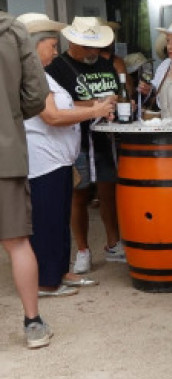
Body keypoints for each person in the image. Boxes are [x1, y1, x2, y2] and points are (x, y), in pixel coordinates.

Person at [21, 13, 112, 298]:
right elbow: (52, 115)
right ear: (36, 46)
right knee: (48, 220)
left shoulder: (42, 72)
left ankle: (61, 271)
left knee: (58, 217)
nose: (55, 51)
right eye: (51, 44)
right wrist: (94, 111)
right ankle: (48, 281)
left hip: (57, 159)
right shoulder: (31, 74)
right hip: (44, 160)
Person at [45, 17, 125, 275]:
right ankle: (82, 250)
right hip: (74, 139)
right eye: (88, 47)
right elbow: (59, 106)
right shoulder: (56, 68)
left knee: (108, 193)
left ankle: (113, 244)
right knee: (79, 195)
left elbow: (117, 94)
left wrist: (116, 103)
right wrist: (96, 105)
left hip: (105, 138)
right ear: (71, 42)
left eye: (96, 47)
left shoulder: (105, 64)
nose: (93, 52)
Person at [1, 10, 53, 349]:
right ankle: (33, 323)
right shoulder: (13, 31)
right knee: (17, 242)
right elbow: (37, 93)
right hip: (6, 152)